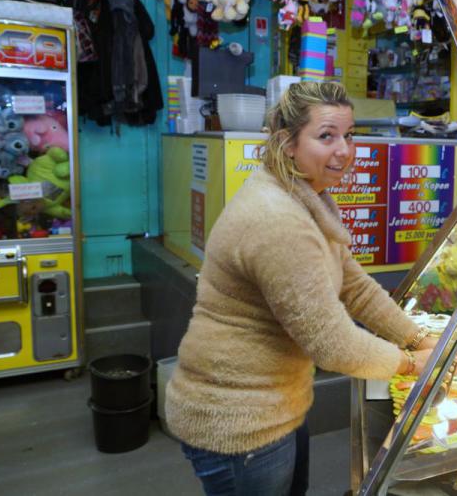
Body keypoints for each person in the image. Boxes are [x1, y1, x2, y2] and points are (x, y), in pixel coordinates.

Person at [165, 81, 438, 496]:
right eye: (326, 136)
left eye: (349, 135)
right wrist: (411, 364)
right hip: (238, 424)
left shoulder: (306, 195)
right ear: (288, 143)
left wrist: (418, 338)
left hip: (276, 407)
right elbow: (331, 343)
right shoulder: (277, 218)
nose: (344, 150)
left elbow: (354, 285)